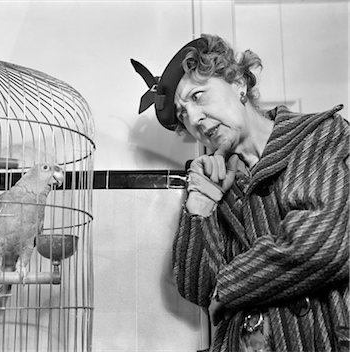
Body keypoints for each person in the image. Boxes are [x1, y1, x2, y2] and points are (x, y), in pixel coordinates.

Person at [132, 34, 349, 352]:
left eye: (198, 97)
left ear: (238, 84)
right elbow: (198, 288)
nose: (194, 119)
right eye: (182, 114)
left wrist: (229, 287)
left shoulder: (319, 135)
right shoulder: (211, 178)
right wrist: (200, 207)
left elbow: (323, 244)